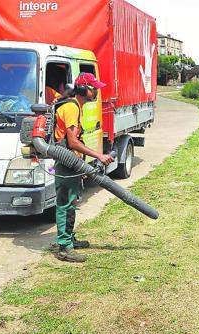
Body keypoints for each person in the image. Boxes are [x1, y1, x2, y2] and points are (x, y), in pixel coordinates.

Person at [52, 72, 114, 263]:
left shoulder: (75, 106)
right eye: (93, 88)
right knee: (65, 204)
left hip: (72, 162)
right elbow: (73, 142)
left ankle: (69, 238)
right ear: (82, 89)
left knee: (72, 201)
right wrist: (99, 156)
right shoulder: (71, 108)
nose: (96, 91)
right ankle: (64, 248)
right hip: (66, 162)